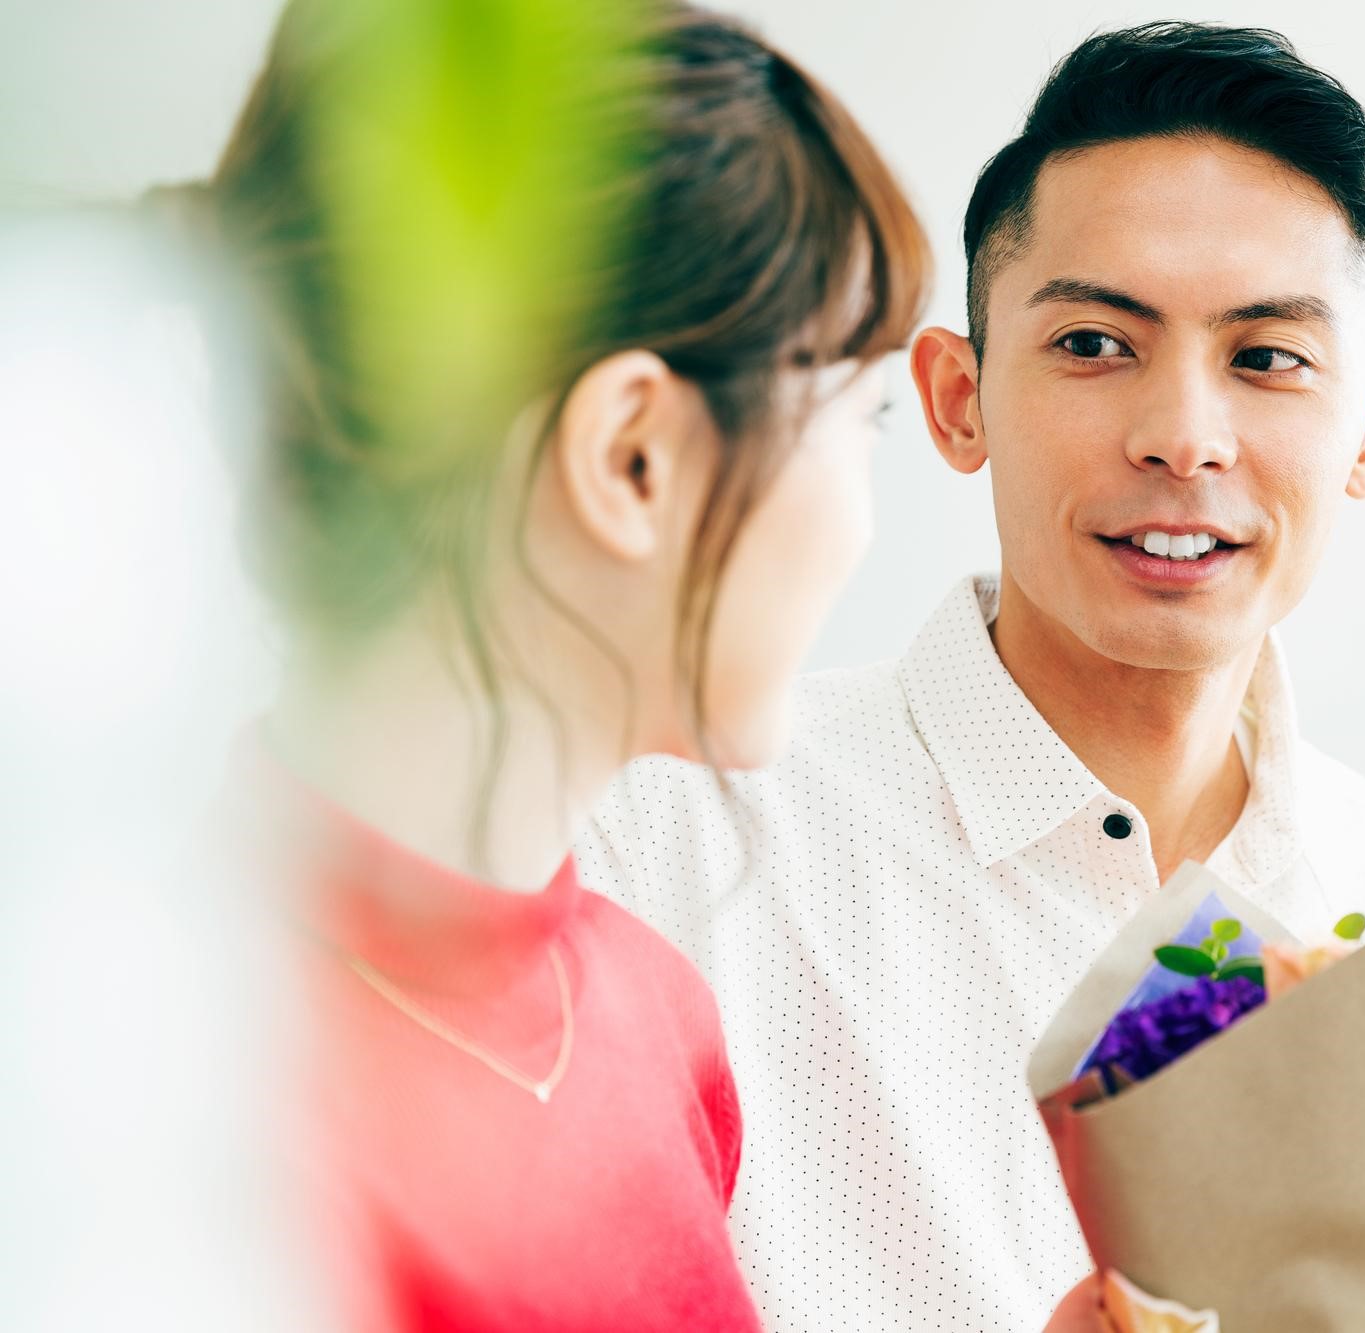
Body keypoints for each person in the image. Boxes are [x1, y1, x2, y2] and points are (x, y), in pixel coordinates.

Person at [582, 21, 1365, 1333]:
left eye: (1268, 358)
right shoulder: (669, 842)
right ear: (959, 399)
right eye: (1093, 345)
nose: (1184, 436)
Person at [180, 3, 934, 1326]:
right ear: (633, 455)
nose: (868, 519)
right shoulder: (184, 1097)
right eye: (862, 415)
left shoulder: (661, 1014)